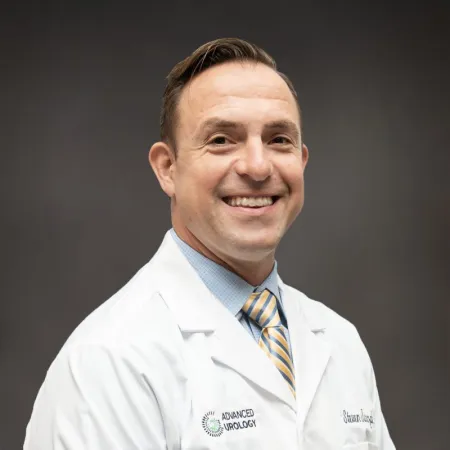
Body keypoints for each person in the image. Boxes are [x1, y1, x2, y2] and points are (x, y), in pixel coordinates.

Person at [24, 37, 395, 449]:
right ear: (168, 168)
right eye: (221, 139)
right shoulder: (110, 360)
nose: (257, 166)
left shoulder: (341, 343)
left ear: (302, 162)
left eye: (278, 140)